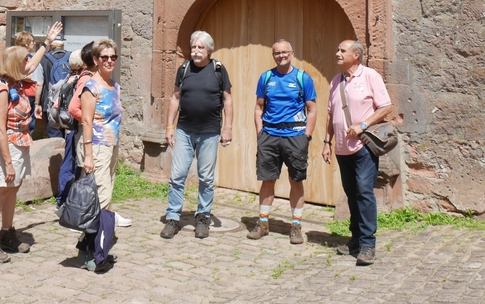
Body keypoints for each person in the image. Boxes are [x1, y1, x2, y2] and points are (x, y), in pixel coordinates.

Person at [0, 23, 62, 263]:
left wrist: (46, 43)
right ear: (15, 65)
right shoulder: (2, 89)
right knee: (1, 190)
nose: (29, 64)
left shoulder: (14, 82)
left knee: (12, 190)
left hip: (20, 142)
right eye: (24, 60)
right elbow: (0, 130)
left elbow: (33, 64)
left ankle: (7, 233)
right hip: (9, 146)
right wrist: (7, 162)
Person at [322, 40, 393, 266]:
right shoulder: (336, 81)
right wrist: (326, 142)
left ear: (356, 55)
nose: (337, 53)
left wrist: (362, 125)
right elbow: (330, 115)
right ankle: (355, 238)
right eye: (337, 49)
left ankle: (368, 244)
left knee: (364, 192)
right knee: (352, 193)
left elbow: (386, 107)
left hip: (363, 147)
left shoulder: (370, 76)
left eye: (342, 50)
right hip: (342, 150)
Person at [161, 31, 233, 240]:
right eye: (193, 47)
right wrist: (169, 127)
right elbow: (175, 98)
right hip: (184, 131)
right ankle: (173, 218)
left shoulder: (218, 70)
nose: (196, 51)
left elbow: (228, 100)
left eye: (200, 47)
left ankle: (202, 218)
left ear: (209, 50)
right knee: (177, 176)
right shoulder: (184, 69)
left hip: (210, 132)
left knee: (206, 178)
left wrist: (227, 128)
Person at [247, 39, 317, 245]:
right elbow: (259, 107)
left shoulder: (303, 78)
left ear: (292, 53)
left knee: (296, 180)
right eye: (277, 53)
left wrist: (307, 136)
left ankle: (296, 226)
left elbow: (312, 109)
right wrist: (260, 133)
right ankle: (263, 223)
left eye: (284, 52)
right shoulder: (266, 77)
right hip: (270, 135)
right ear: (273, 55)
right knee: (267, 180)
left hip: (295, 136)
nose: (281, 56)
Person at [75, 38, 123, 269]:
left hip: (111, 148)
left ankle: (87, 245)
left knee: (106, 196)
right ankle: (99, 255)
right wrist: (89, 155)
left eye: (113, 57)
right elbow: (86, 120)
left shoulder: (115, 86)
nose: (109, 61)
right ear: (95, 60)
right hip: (97, 147)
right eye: (104, 57)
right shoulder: (90, 87)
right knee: (103, 201)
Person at [14, 31, 46, 133]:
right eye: (32, 41)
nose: (34, 43)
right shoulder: (19, 58)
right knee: (28, 124)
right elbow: (34, 78)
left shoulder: (28, 58)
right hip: (27, 95)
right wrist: (26, 75)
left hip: (26, 94)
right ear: (26, 43)